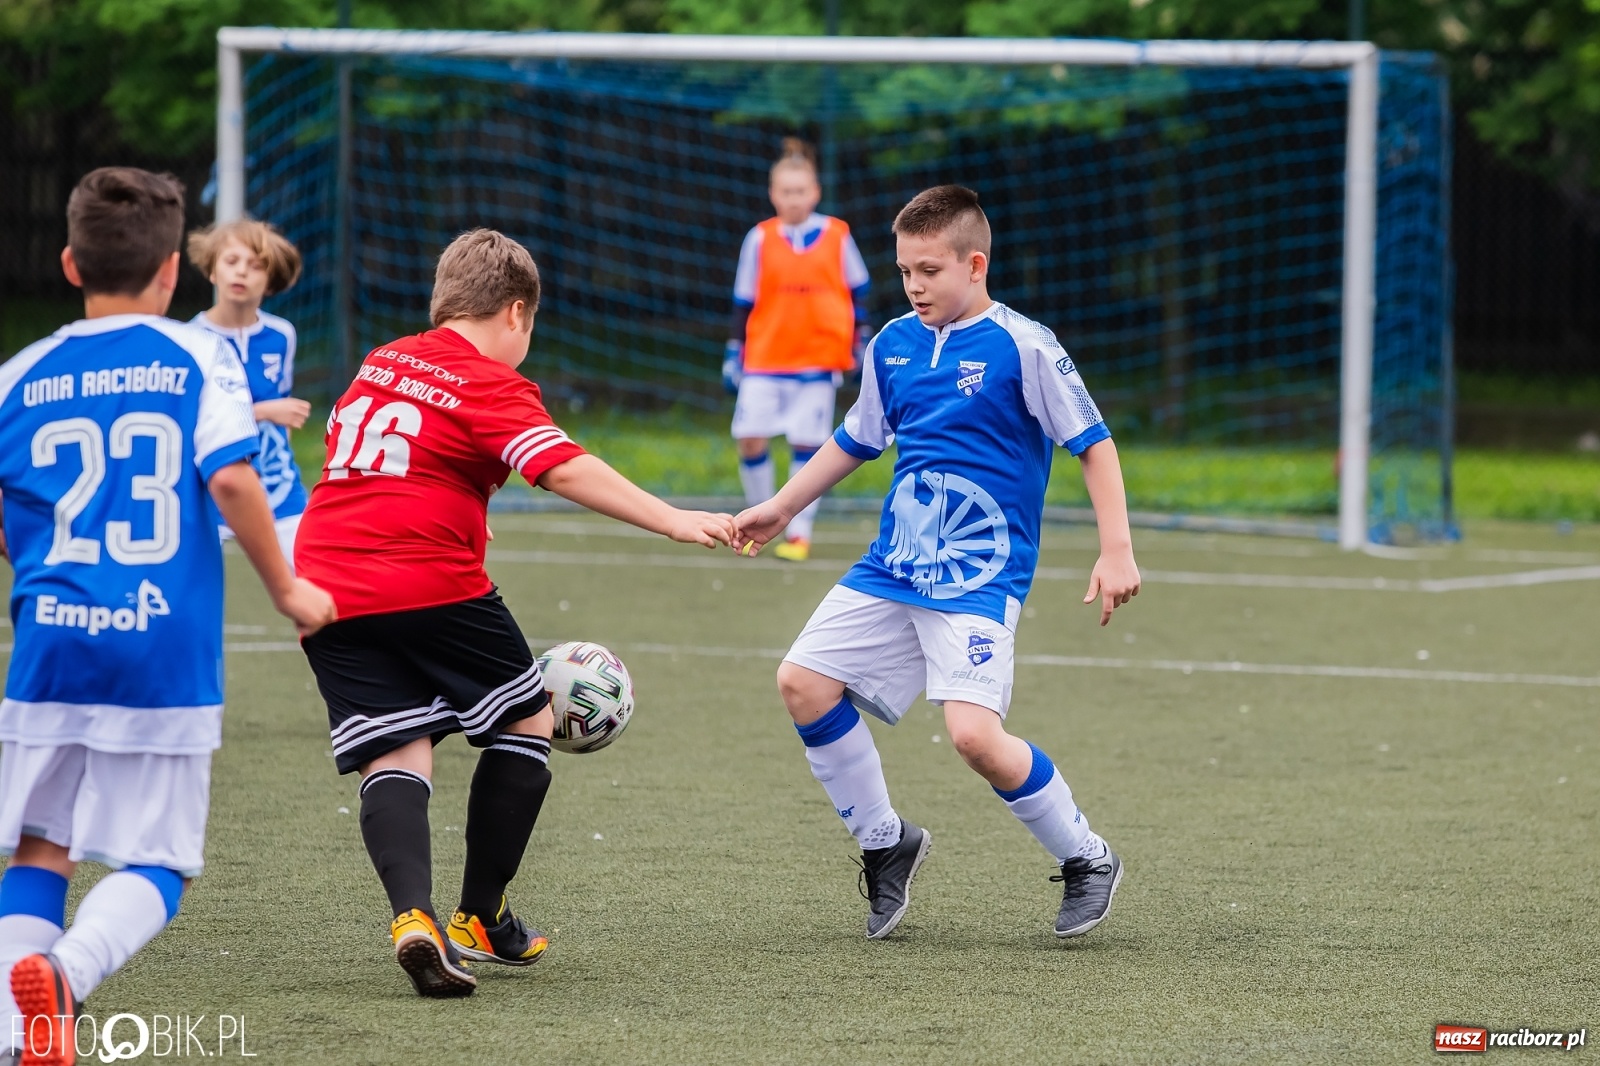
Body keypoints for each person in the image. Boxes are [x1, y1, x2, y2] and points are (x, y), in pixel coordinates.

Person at [294, 228, 734, 998]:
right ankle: (480, 915)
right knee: (527, 718)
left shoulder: (384, 360)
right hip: (424, 574)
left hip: (323, 575)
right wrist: (672, 518)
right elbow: (558, 466)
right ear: (517, 313)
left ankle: (414, 919)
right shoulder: (490, 381)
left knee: (395, 751)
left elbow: (380, 457)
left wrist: (463, 508)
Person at [733, 185, 1142, 941]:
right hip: (893, 565)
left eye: (929, 271)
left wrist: (1116, 548)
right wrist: (783, 507)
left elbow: (1093, 442)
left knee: (975, 738)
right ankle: (886, 842)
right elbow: (858, 438)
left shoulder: (1024, 345)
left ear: (974, 265)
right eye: (904, 272)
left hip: (979, 577)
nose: (914, 286)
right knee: (802, 683)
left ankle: (1086, 857)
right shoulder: (891, 345)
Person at [0, 167, 336, 1064]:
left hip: (49, 645)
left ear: (70, 264)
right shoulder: (196, 358)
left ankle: (11, 1033)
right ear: (170, 273)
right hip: (160, 648)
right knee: (160, 860)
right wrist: (288, 590)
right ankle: (66, 974)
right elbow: (232, 476)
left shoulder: (18, 375)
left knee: (39, 847)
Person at [723, 137, 871, 563]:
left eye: (800, 190)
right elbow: (743, 300)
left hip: (818, 359)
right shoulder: (759, 238)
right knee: (749, 438)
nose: (793, 198)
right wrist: (734, 351)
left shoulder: (837, 235)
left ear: (815, 192)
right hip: (765, 358)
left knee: (808, 447)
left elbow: (859, 289)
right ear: (773, 194)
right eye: (786, 191)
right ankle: (758, 517)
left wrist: (860, 338)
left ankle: (798, 534)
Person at [186, 218, 310, 569]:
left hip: (280, 491)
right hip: (216, 489)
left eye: (256, 266)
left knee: (312, 582)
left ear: (270, 281)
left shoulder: (282, 335)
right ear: (213, 272)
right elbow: (192, 422)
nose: (242, 272)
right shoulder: (190, 340)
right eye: (232, 261)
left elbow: (282, 417)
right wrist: (266, 411)